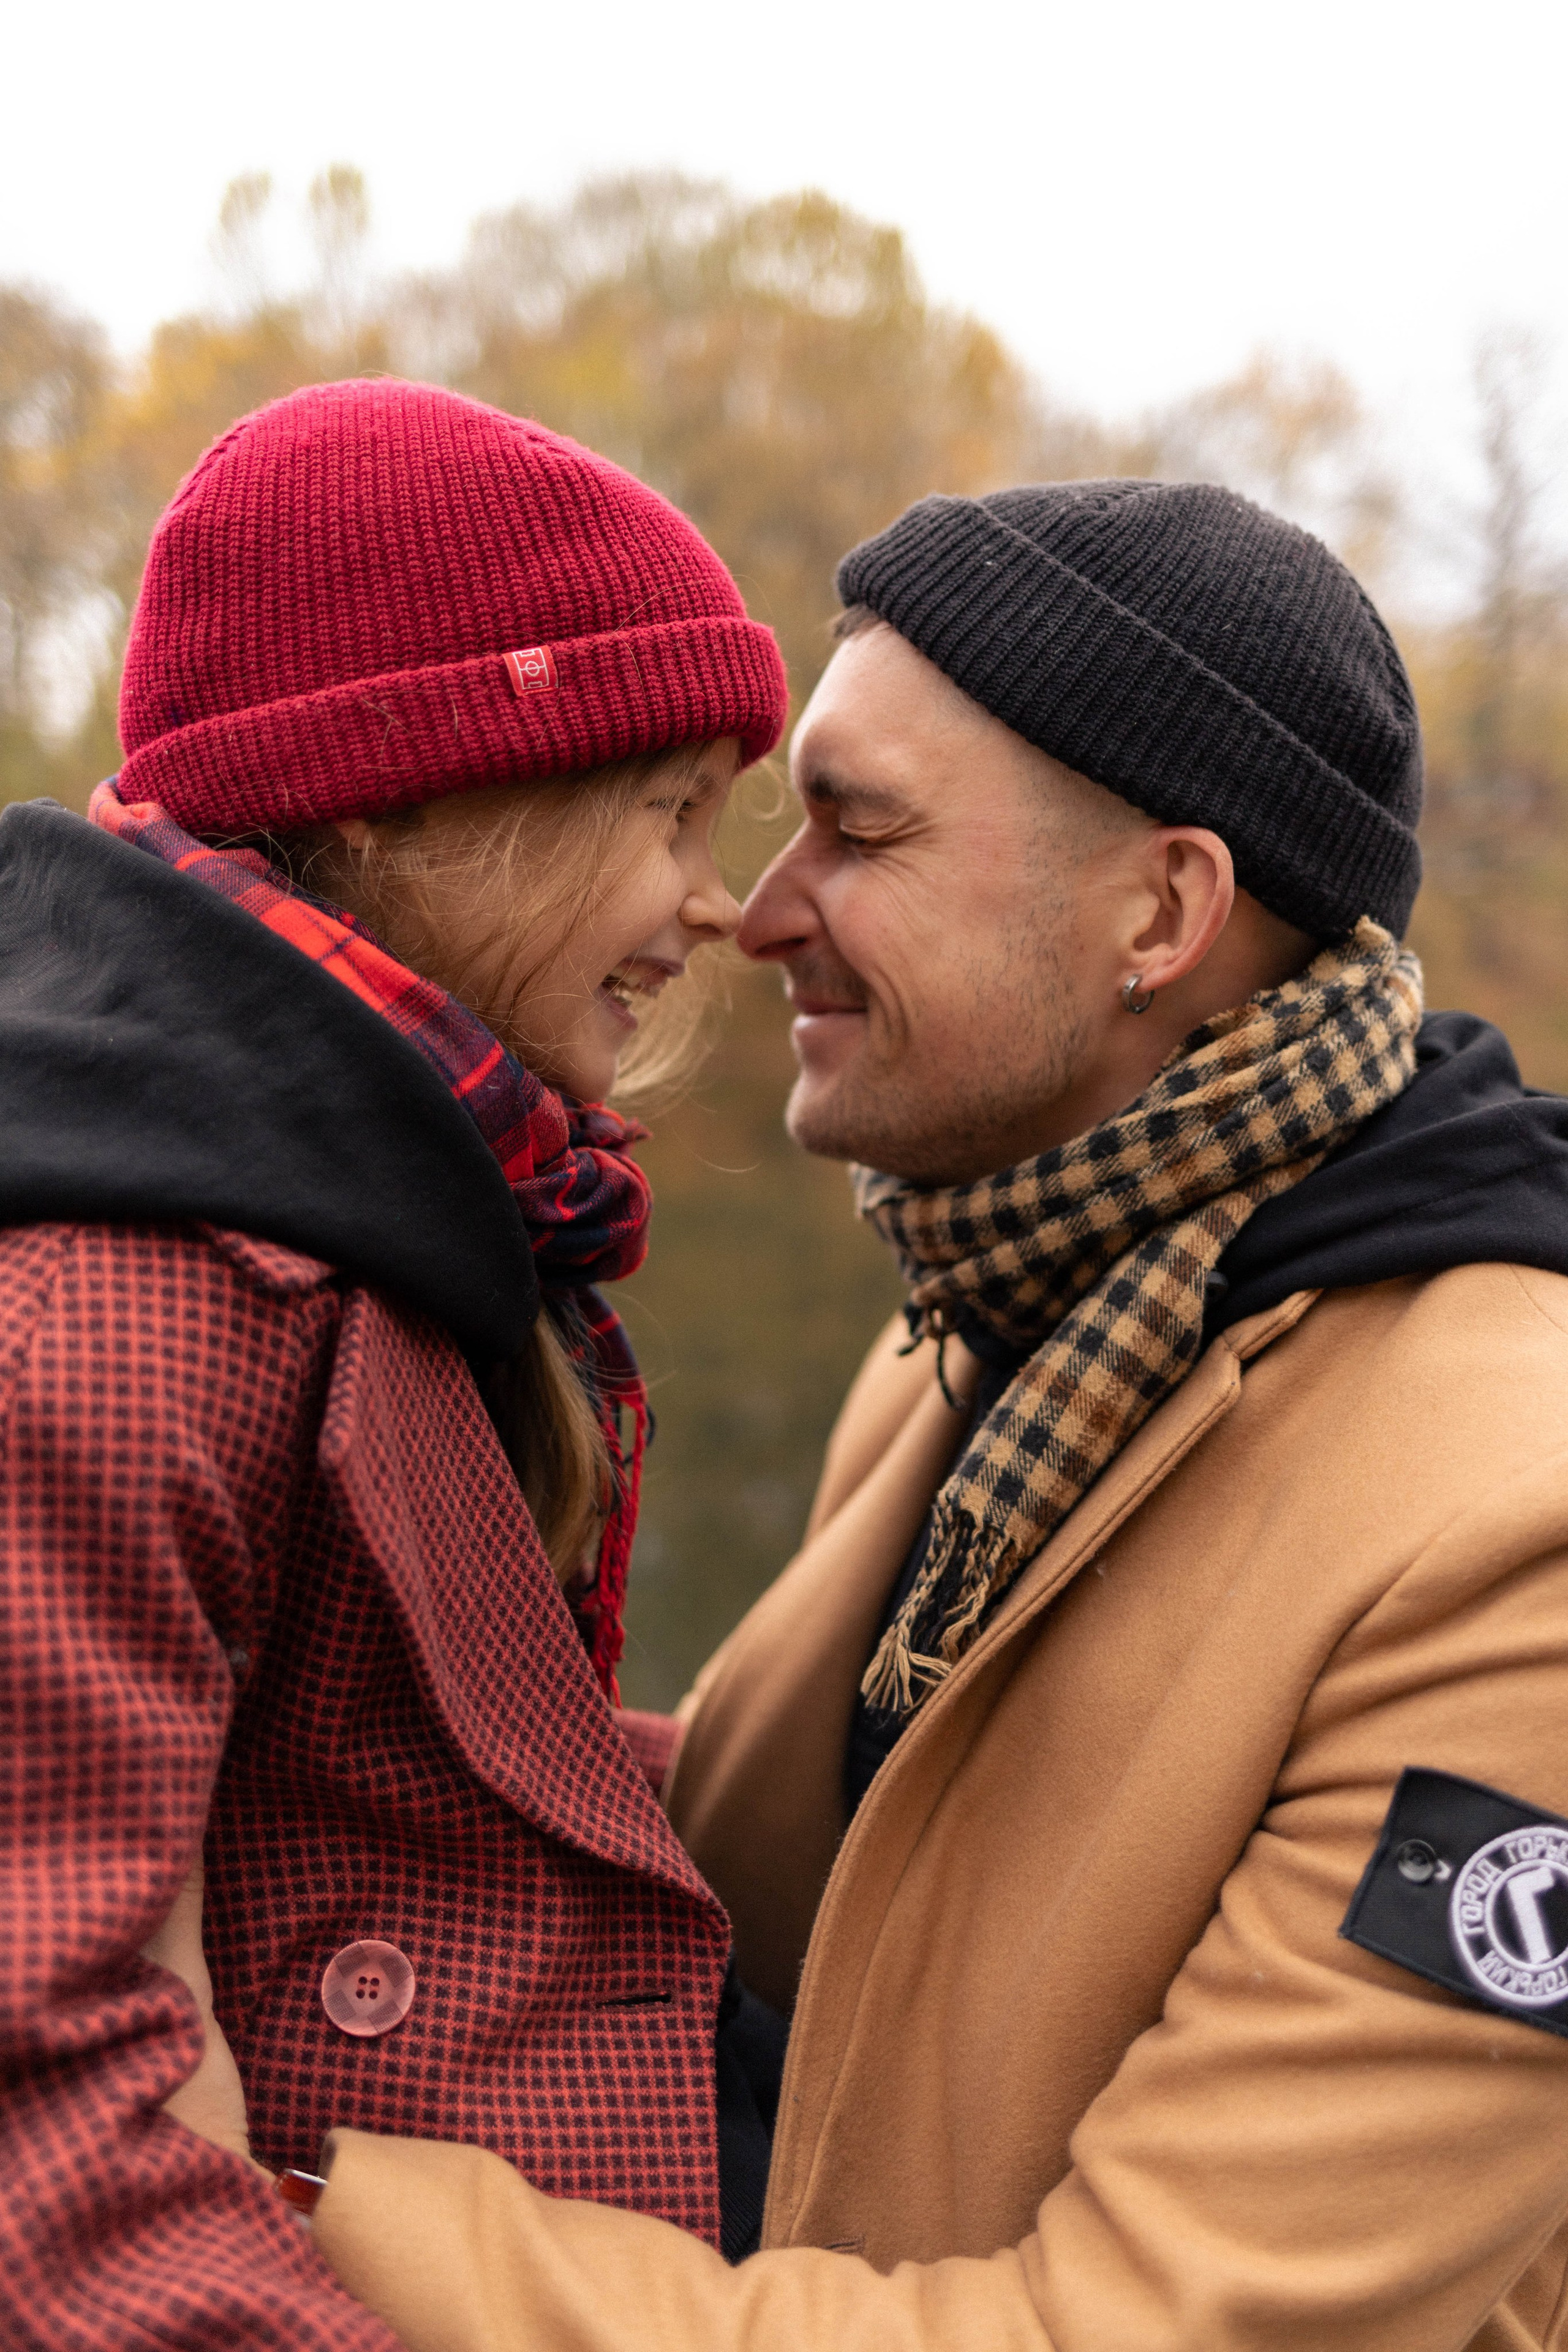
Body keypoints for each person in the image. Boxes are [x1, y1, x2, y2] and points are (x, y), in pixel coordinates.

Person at [299, 483, 1568, 2350]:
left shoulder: (1513, 1535)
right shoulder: (998, 1308)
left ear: (1164, 909)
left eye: (858, 829)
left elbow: (1131, 2332)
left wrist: (294, 2210)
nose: (760, 911)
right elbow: (873, 1862)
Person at [0, 376, 790, 2348]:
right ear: (410, 793)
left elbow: (353, 1763)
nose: (714, 900)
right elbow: (43, 2113)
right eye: (665, 813)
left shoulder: (365, 1209)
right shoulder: (123, 1289)